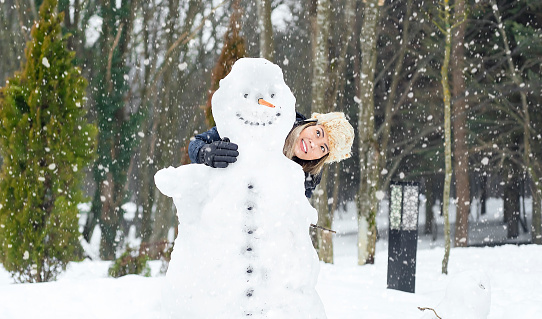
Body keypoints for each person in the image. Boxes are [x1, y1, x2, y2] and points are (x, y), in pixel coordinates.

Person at [188, 111, 355, 198]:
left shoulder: (304, 183)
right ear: (311, 124)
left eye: (323, 148)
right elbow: (196, 143)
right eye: (319, 133)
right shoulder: (269, 119)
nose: (313, 144)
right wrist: (204, 153)